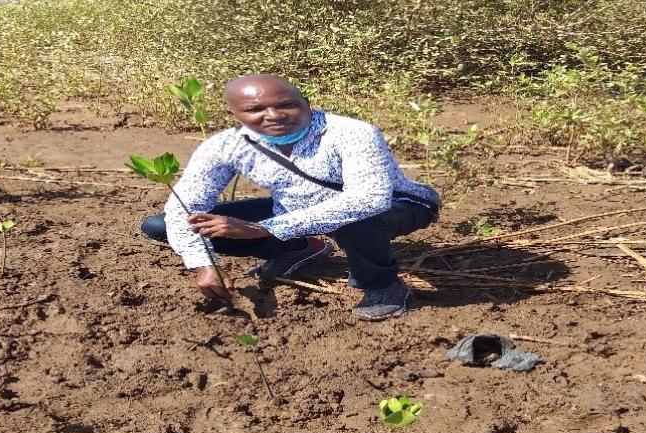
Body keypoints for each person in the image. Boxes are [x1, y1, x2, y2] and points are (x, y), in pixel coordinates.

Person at [141, 74, 440, 320]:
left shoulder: (352, 133)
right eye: (255, 110)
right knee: (160, 225)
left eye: (286, 105)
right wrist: (204, 263)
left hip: (398, 206)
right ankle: (300, 247)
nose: (273, 116)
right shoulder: (226, 146)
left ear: (306, 103)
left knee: (355, 218)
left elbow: (369, 198)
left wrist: (264, 228)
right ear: (236, 114)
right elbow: (186, 208)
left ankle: (382, 284)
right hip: (295, 213)